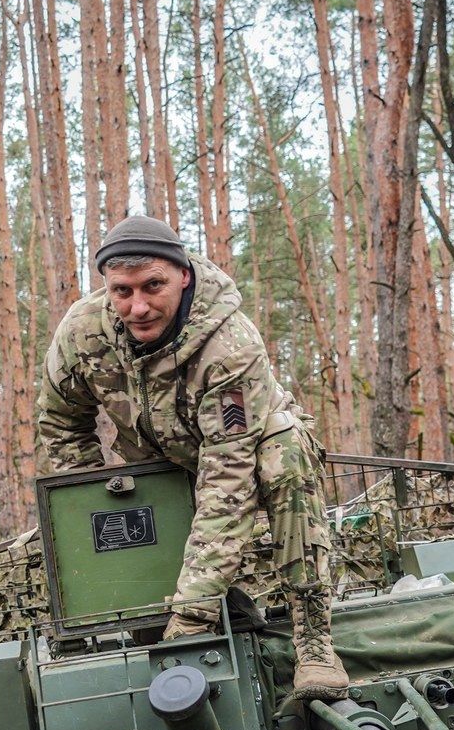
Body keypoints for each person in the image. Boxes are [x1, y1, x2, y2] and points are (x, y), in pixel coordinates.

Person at [35, 214, 349, 699]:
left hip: (247, 450)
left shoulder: (229, 345)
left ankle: (313, 639)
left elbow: (228, 480)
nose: (137, 307)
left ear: (183, 275)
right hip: (158, 460)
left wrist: (193, 614)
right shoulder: (82, 333)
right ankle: (212, 605)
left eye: (152, 286)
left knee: (284, 459)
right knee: (124, 507)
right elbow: (60, 421)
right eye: (122, 291)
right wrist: (94, 499)